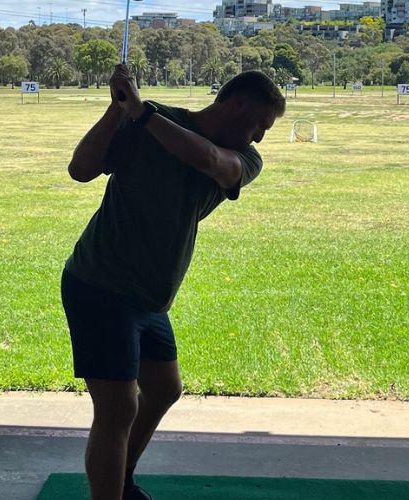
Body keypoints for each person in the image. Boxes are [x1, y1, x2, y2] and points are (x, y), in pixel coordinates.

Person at [61, 65, 285, 500]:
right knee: (118, 407)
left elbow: (210, 160)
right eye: (260, 124)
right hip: (100, 283)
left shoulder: (243, 158)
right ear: (237, 105)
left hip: (149, 298)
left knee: (164, 388)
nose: (259, 138)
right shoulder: (147, 119)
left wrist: (142, 113)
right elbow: (81, 169)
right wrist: (117, 110)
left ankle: (120, 481)